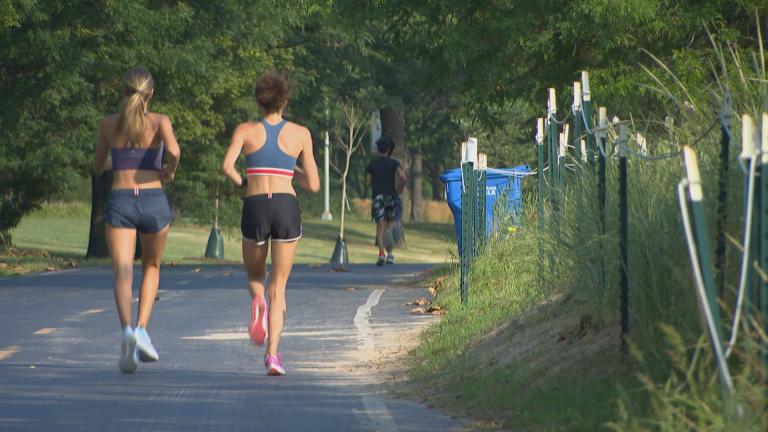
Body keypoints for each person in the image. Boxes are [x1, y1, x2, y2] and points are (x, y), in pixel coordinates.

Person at [221, 71, 320, 376]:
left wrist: (242, 182)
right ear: (284, 100)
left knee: (255, 275)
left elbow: (226, 166)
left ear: (258, 101)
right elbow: (314, 185)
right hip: (285, 205)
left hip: (255, 205)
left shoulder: (245, 130)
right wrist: (289, 170)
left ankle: (257, 302)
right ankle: (273, 356)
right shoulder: (301, 133)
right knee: (279, 287)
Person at [93, 67, 181, 374]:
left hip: (120, 200)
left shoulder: (108, 124)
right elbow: (174, 150)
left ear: (123, 92)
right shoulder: (159, 121)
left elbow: (97, 165)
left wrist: (118, 159)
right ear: (151, 94)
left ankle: (127, 330)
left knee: (122, 272)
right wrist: (168, 171)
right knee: (152, 267)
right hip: (153, 199)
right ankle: (143, 329)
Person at [366, 136, 407, 266]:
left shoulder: (372, 164)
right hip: (391, 196)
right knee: (389, 226)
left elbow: (367, 183)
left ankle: (381, 254)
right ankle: (390, 254)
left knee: (380, 227)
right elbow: (402, 176)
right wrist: (399, 188)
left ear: (378, 149)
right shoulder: (394, 163)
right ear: (389, 149)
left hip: (377, 196)